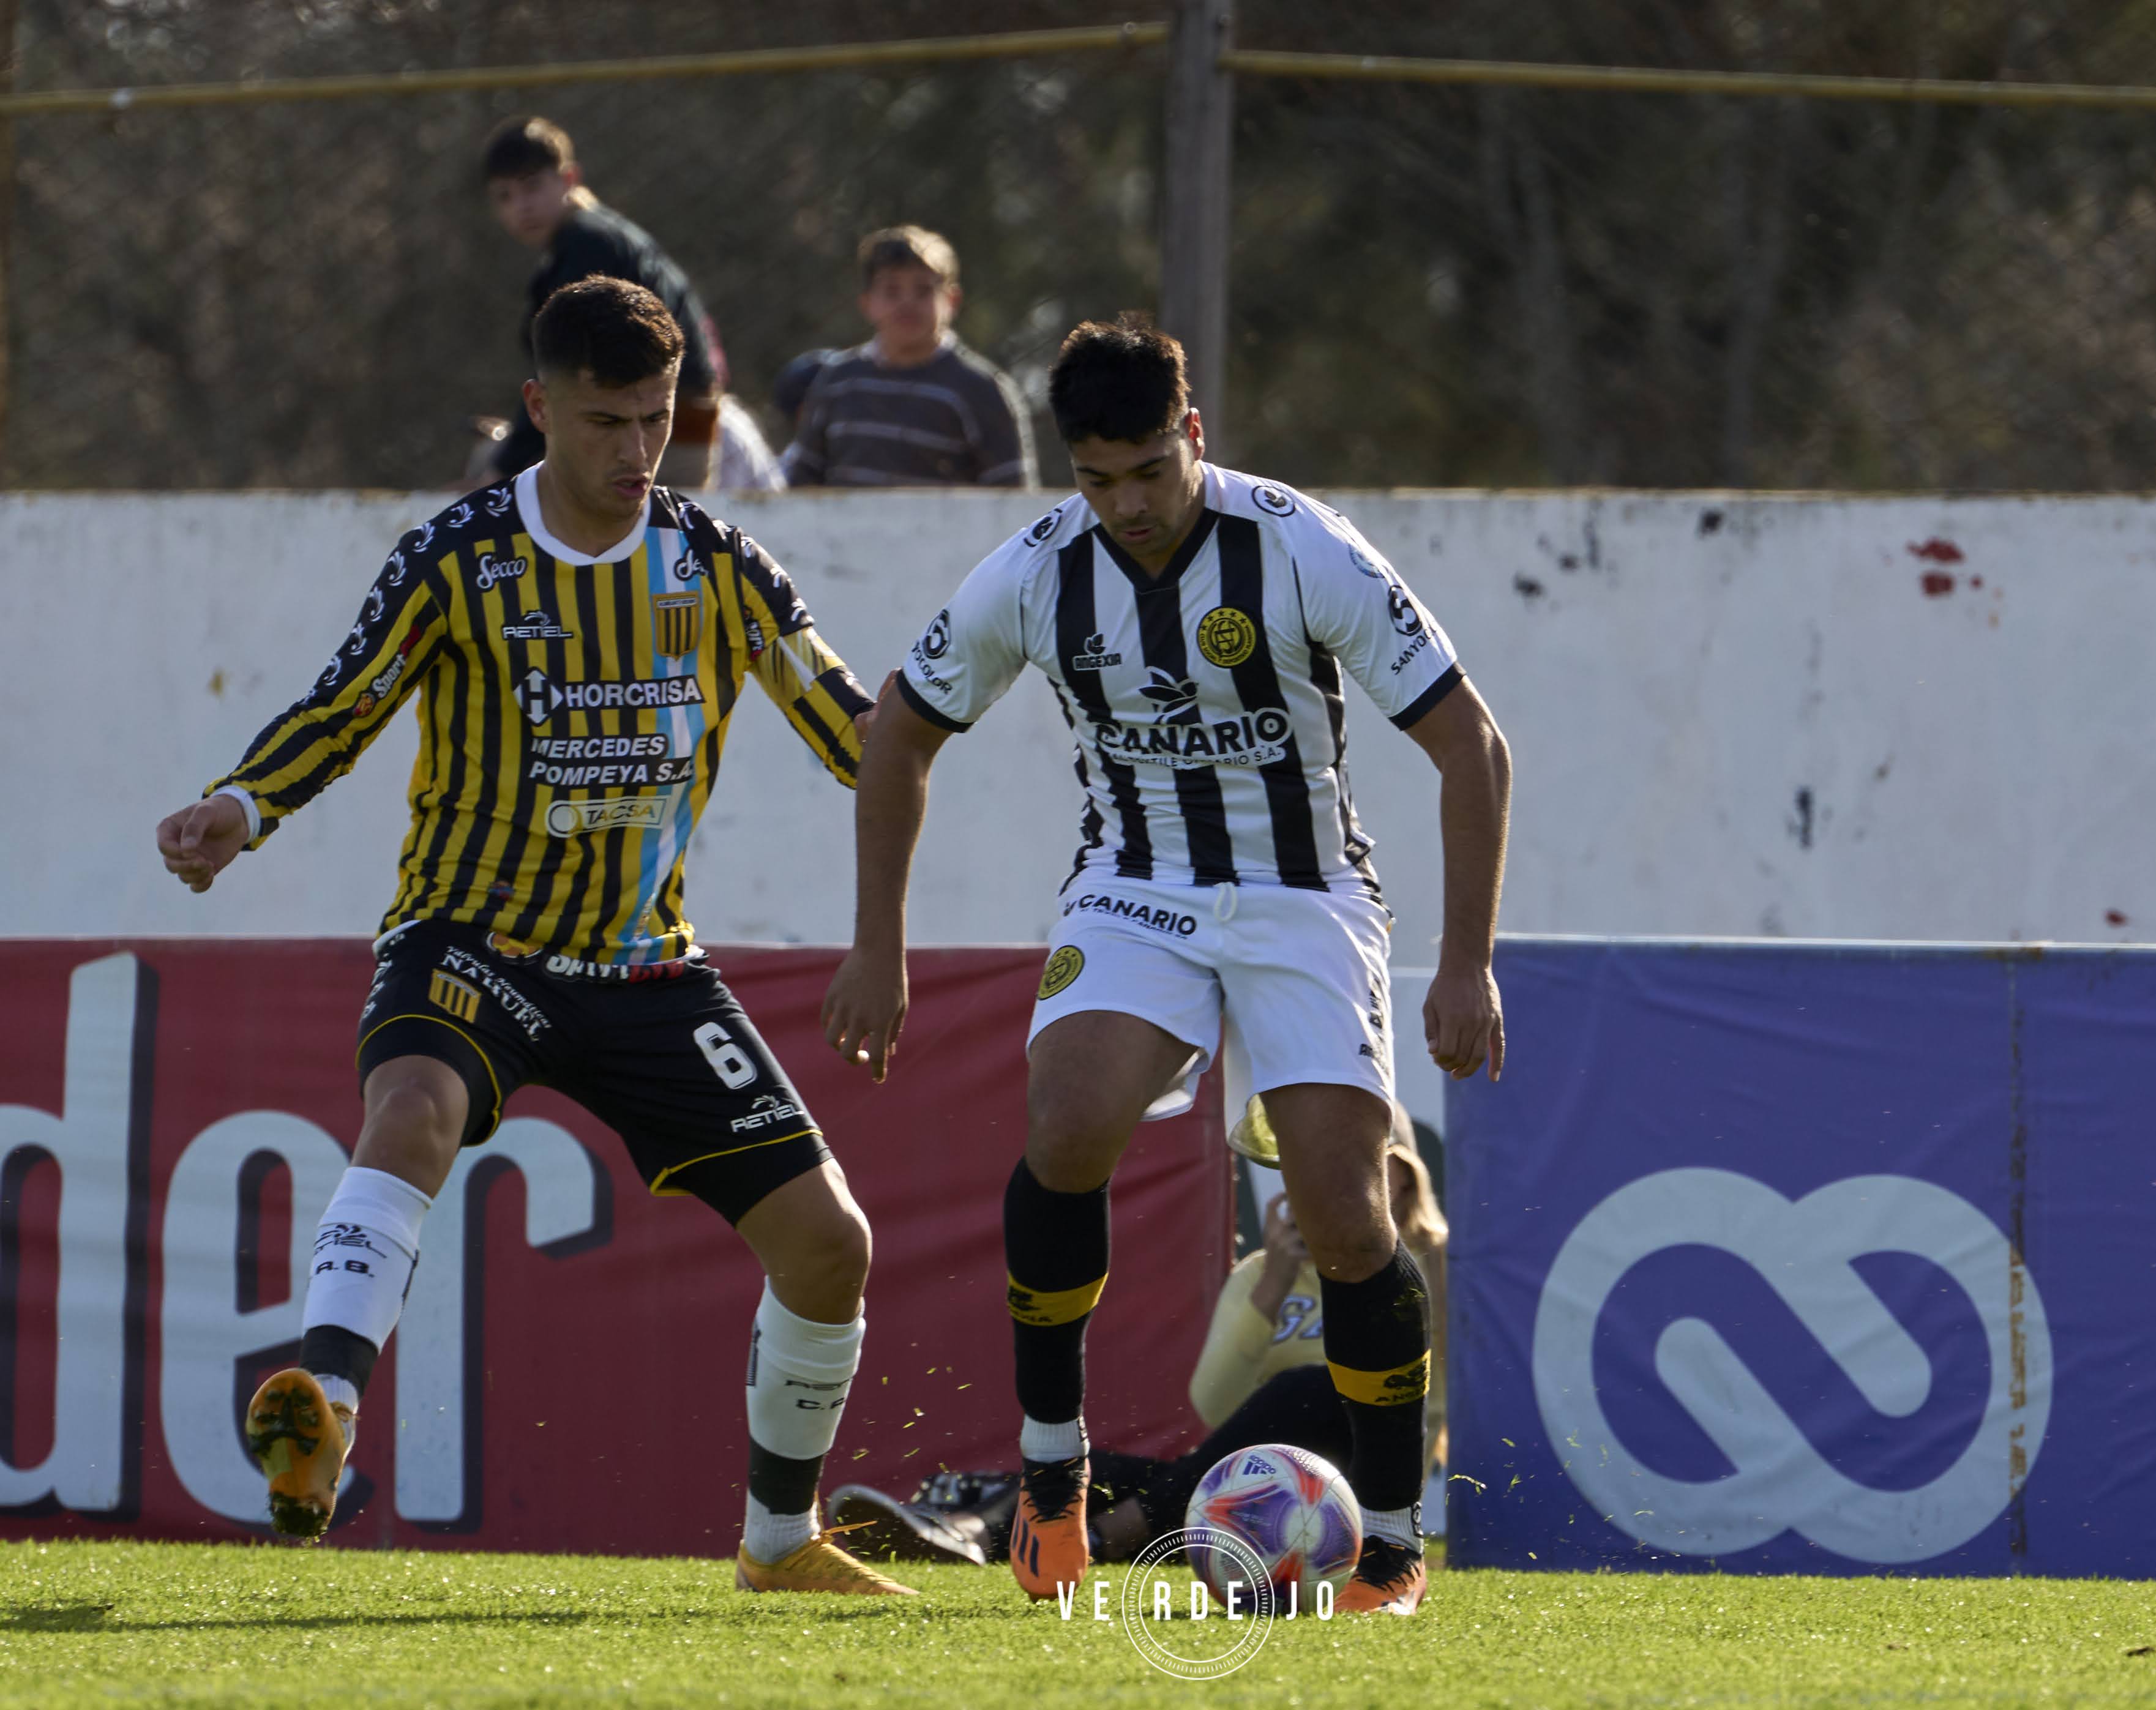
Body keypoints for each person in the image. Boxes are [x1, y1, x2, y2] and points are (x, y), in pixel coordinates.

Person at [153, 277, 909, 1597]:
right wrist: (240, 805)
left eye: (657, 420)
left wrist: (934, 714)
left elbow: (863, 741)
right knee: (412, 1110)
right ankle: (326, 1406)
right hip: (471, 940)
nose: (637, 450)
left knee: (831, 1242)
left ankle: (779, 1540)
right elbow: (344, 703)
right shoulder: (458, 556)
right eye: (607, 420)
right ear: (539, 408)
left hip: (644, 963)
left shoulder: (721, 568)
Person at [819, 315, 1512, 1616]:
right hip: (1136, 886)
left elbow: (1469, 743)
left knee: (1345, 1215)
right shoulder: (1037, 571)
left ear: (1192, 435)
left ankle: (1391, 1546)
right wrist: (877, 942)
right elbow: (897, 732)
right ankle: (1051, 1473)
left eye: (1149, 470)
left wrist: (1465, 961)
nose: (1128, 505)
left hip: (1304, 896)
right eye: (1098, 480)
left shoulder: (1297, 545)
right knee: (1067, 1120)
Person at [825, 1124, 1450, 1567]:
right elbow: (1213, 1404)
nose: (1360, 1197)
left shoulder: (1422, 1277)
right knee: (1108, 1470)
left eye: (1389, 1184)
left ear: (1410, 1192)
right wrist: (1275, 1285)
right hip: (1250, 1485)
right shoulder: (1263, 1275)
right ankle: (967, 1532)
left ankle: (1103, 1534)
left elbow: (1432, 1403)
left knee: (1313, 1387)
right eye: (1345, 1178)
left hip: (1358, 1490)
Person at [482, 115, 727, 490]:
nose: (522, 206)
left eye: (533, 186)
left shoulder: (590, 246)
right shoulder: (581, 243)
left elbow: (563, 376)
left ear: (569, 179)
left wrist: (504, 469)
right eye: (505, 196)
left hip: (658, 427)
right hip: (644, 418)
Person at [780, 226, 1038, 489]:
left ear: (952, 300)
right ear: (867, 303)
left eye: (923, 290)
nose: (907, 303)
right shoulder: (837, 381)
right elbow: (803, 481)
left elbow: (1012, 497)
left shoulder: (982, 390)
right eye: (891, 291)